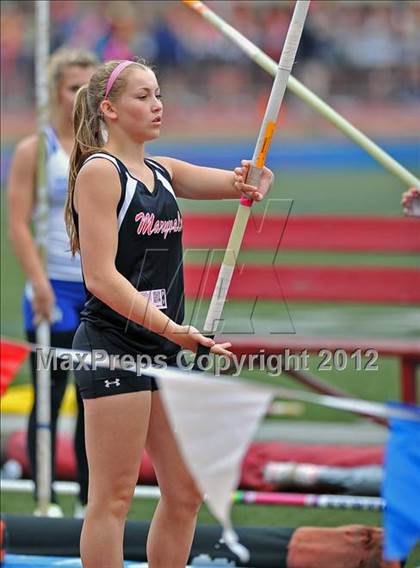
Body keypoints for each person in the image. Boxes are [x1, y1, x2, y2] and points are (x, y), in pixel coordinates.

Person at [64, 58, 274, 568]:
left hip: (166, 347)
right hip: (116, 346)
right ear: (109, 109)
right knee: (112, 499)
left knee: (185, 491)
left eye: (158, 94)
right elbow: (101, 277)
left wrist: (251, 177)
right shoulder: (100, 172)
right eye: (143, 96)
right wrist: (173, 330)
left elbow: (234, 185)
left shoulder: (163, 170)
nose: (157, 105)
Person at [7, 47, 99, 517]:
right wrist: (38, 282)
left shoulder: (107, 145)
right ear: (54, 92)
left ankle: (89, 499)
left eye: (89, 86)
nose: (80, 96)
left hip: (97, 286)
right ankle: (45, 495)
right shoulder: (35, 150)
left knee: (95, 398)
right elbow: (19, 223)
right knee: (49, 394)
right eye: (72, 87)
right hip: (52, 289)